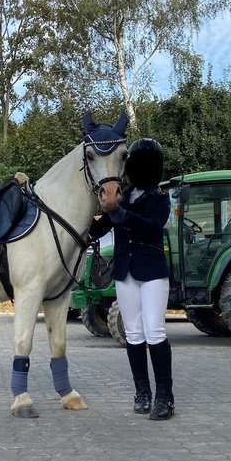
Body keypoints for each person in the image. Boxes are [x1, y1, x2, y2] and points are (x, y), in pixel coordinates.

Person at [89, 137, 174, 420]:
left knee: (155, 331)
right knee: (134, 335)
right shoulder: (121, 198)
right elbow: (97, 230)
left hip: (152, 273)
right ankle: (142, 392)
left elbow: (152, 229)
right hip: (124, 273)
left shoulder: (161, 199)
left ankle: (165, 397)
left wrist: (119, 213)